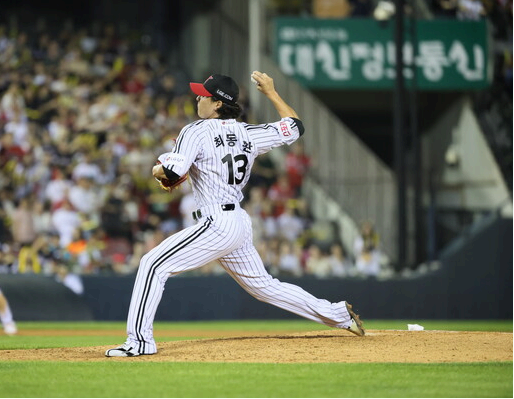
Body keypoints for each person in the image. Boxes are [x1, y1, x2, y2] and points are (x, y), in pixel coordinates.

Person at [105, 71, 365, 358]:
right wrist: (271, 92)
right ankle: (338, 315)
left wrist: (158, 168)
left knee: (153, 264)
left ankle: (140, 342)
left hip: (216, 223)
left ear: (217, 103)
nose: (197, 98)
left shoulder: (196, 130)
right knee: (265, 287)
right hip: (237, 223)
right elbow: (295, 126)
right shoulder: (248, 133)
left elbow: (172, 173)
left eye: (203, 95)